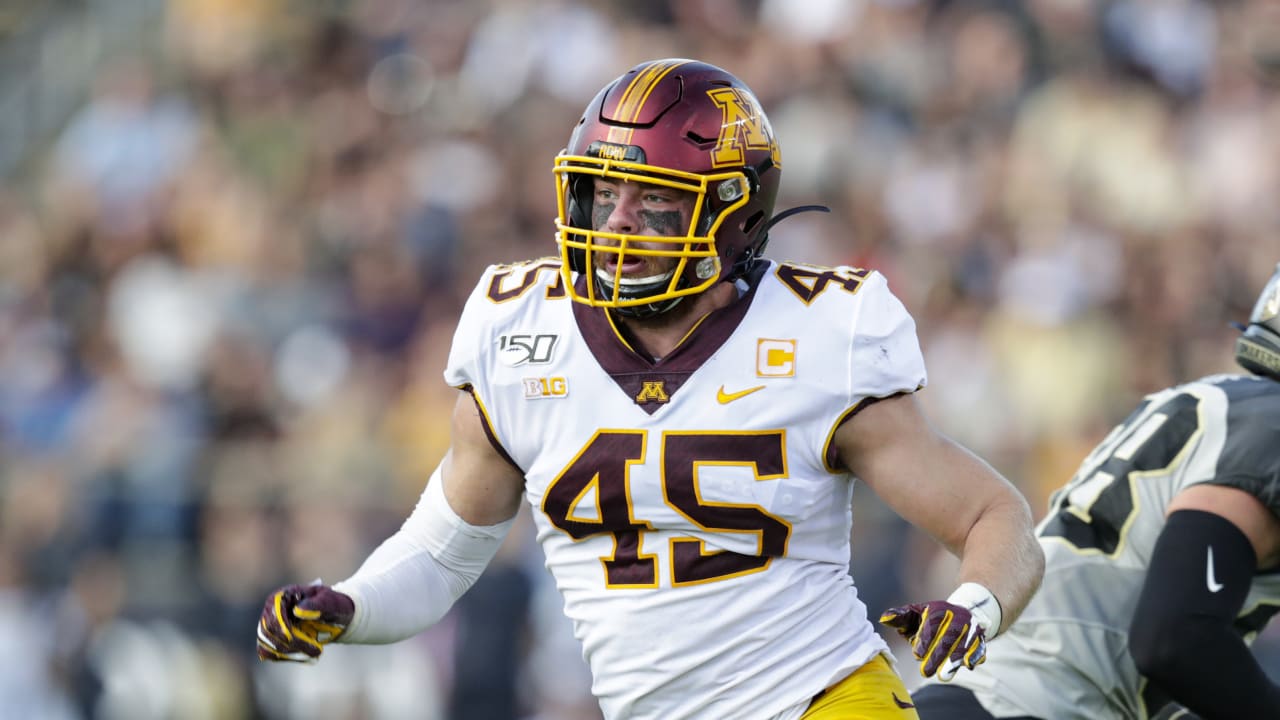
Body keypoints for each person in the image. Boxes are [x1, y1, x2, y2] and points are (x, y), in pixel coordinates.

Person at [255, 58, 1044, 720]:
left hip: (821, 699)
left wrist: (972, 607)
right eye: (604, 193)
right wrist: (350, 607)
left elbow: (992, 513)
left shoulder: (821, 335)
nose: (618, 223)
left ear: (735, 213)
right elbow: (442, 554)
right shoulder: (521, 330)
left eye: (656, 201)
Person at [912, 263, 1280, 720]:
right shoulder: (1269, 430)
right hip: (1036, 702)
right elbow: (1173, 639)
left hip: (992, 690)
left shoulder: (1224, 403)